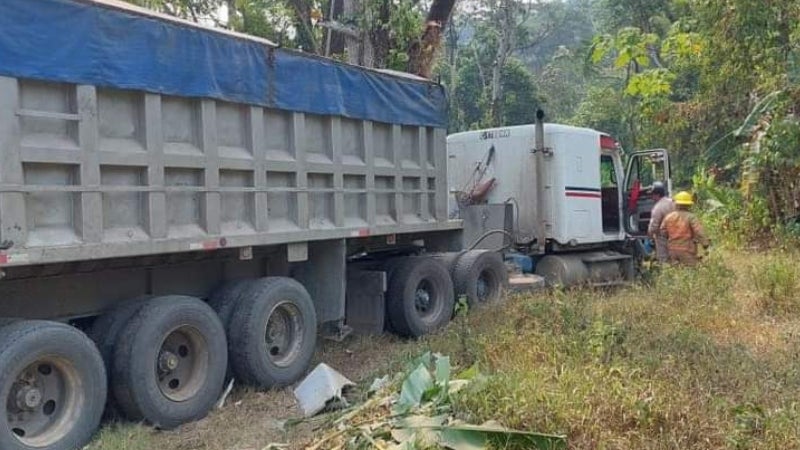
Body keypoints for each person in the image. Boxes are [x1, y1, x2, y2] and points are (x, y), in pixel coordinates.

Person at [659, 191, 710, 265]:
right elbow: (699, 231)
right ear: (689, 205)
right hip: (687, 250)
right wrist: (705, 244)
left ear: (676, 204)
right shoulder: (691, 217)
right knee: (690, 272)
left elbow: (662, 231)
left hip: (672, 250)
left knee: (676, 272)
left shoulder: (668, 217)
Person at [647, 181, 674, 263]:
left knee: (664, 258)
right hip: (677, 234)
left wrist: (650, 236)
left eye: (652, 194)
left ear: (657, 195)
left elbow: (653, 227)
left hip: (663, 236)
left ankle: (666, 272)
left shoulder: (657, 208)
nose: (651, 196)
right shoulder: (673, 202)